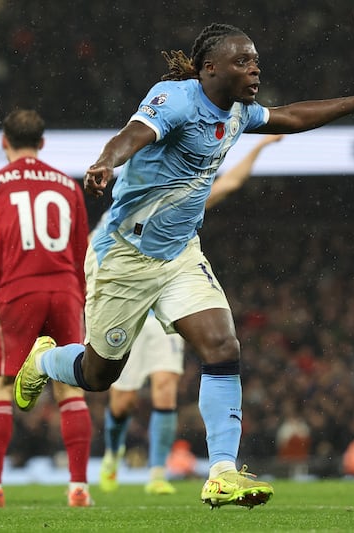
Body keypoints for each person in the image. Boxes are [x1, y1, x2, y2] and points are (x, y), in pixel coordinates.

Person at [14, 22, 354, 509]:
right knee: (99, 375)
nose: (254, 67)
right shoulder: (176, 98)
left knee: (222, 345)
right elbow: (133, 133)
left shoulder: (239, 112)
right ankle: (46, 360)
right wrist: (105, 162)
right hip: (126, 256)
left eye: (256, 60)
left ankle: (221, 471)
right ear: (209, 68)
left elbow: (293, 116)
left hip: (179, 253)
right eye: (243, 61)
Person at [100, 135, 283, 495]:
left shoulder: (184, 197)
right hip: (127, 297)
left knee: (166, 389)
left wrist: (259, 147)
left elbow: (229, 182)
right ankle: (112, 453)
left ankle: (157, 474)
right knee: (120, 400)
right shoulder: (121, 211)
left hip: (165, 301)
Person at [0, 109, 94, 509]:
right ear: (43, 142)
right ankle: (79, 488)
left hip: (19, 292)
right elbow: (81, 248)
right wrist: (79, 296)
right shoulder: (67, 185)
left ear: (4, 141)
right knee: (71, 385)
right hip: (66, 289)